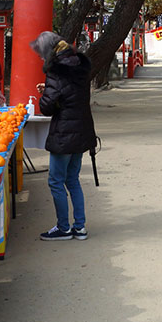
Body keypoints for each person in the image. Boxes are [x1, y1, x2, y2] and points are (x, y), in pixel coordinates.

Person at [31, 31, 96, 242]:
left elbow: (47, 107)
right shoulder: (79, 67)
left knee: (56, 181)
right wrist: (50, 90)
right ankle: (80, 227)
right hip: (81, 131)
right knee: (73, 180)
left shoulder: (56, 72)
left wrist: (45, 93)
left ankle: (63, 227)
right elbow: (71, 96)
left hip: (64, 134)